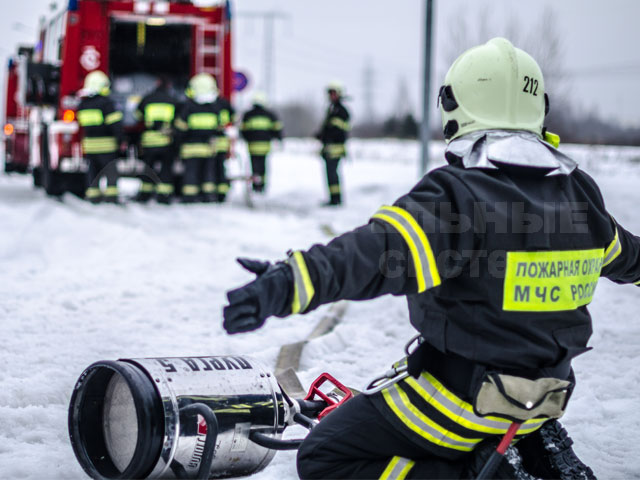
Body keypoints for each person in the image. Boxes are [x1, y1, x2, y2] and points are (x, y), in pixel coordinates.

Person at [223, 38, 640, 478]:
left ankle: (484, 473)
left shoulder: (460, 194)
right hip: (546, 397)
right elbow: (629, 258)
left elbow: (374, 253)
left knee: (326, 457)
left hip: (462, 402)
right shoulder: (580, 195)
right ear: (539, 106)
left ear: (454, 104)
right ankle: (530, 442)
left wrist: (288, 281)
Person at [174, 73, 222, 203]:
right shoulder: (215, 108)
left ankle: (189, 197)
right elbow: (220, 128)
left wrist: (177, 143)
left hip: (191, 148)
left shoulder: (188, 107)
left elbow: (180, 129)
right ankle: (208, 196)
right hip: (208, 148)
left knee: (191, 173)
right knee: (208, 173)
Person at [76, 71, 123, 203]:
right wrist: (121, 140)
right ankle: (111, 197)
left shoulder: (82, 105)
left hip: (90, 147)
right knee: (110, 172)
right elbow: (115, 125)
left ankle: (93, 196)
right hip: (106, 146)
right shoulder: (106, 104)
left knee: (93, 172)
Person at [134, 76, 180, 204]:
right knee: (166, 170)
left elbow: (137, 115)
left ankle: (144, 194)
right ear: (169, 86)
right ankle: (164, 196)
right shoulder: (173, 100)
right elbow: (179, 119)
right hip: (166, 141)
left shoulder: (147, 98)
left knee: (148, 169)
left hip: (149, 141)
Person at [240, 91, 283, 192]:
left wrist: (247, 139)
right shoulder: (270, 115)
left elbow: (243, 130)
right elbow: (277, 129)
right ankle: (262, 185)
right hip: (265, 146)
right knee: (263, 165)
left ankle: (256, 184)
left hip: (252, 146)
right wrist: (278, 139)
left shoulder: (248, 115)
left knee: (254, 165)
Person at [315, 81, 350, 206]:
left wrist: (325, 135)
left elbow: (337, 131)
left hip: (335, 148)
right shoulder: (332, 109)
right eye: (330, 93)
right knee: (330, 175)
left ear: (339, 94)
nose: (331, 95)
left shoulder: (341, 111)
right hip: (329, 148)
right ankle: (333, 197)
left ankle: (336, 199)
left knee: (333, 174)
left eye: (333, 93)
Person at [212, 94, 236, 202]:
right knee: (221, 169)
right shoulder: (225, 104)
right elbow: (233, 120)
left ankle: (211, 192)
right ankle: (222, 193)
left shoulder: (209, 105)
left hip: (211, 144)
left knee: (210, 169)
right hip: (222, 143)